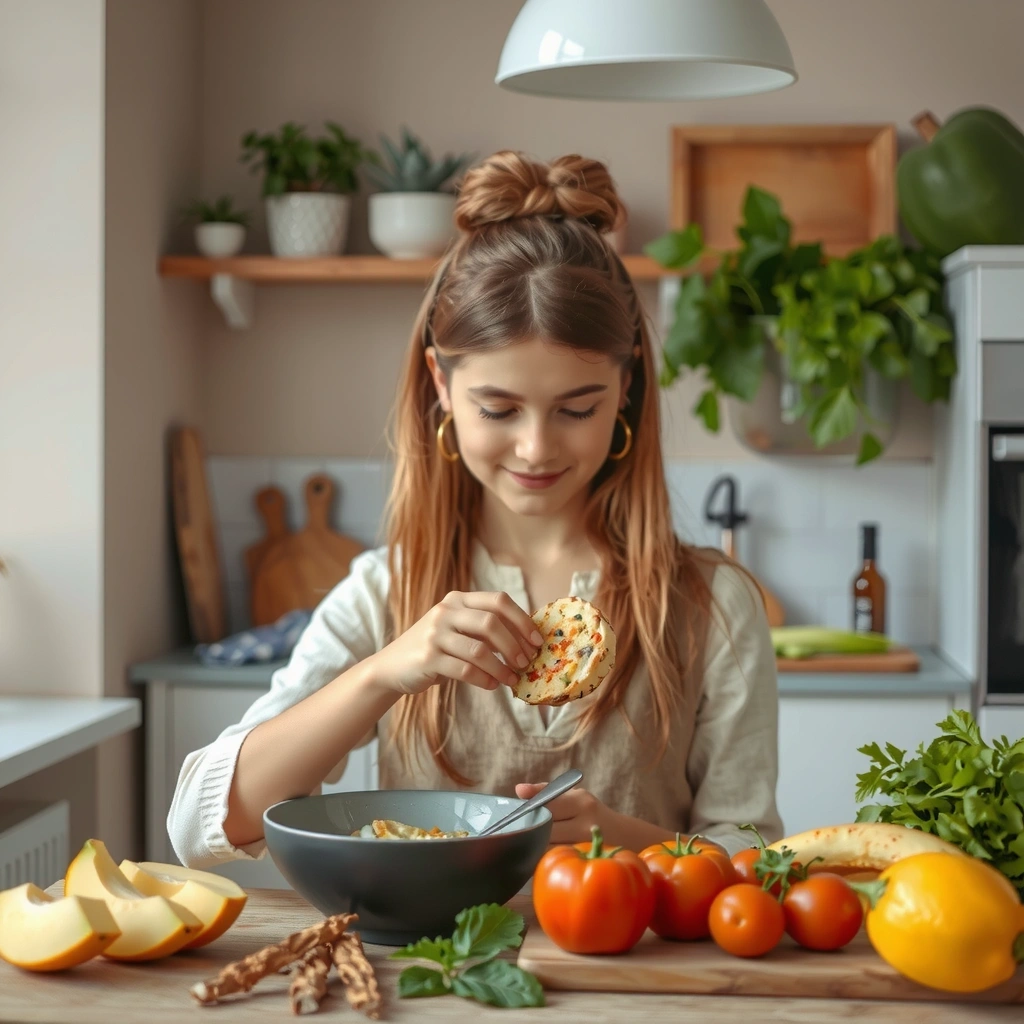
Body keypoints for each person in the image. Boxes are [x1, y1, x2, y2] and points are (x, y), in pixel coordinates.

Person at [168, 150, 783, 869]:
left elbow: (755, 859)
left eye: (576, 408)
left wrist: (623, 839)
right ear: (441, 383)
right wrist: (381, 674)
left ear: (626, 388)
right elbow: (196, 827)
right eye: (498, 409)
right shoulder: (386, 592)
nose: (536, 447)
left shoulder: (714, 605)